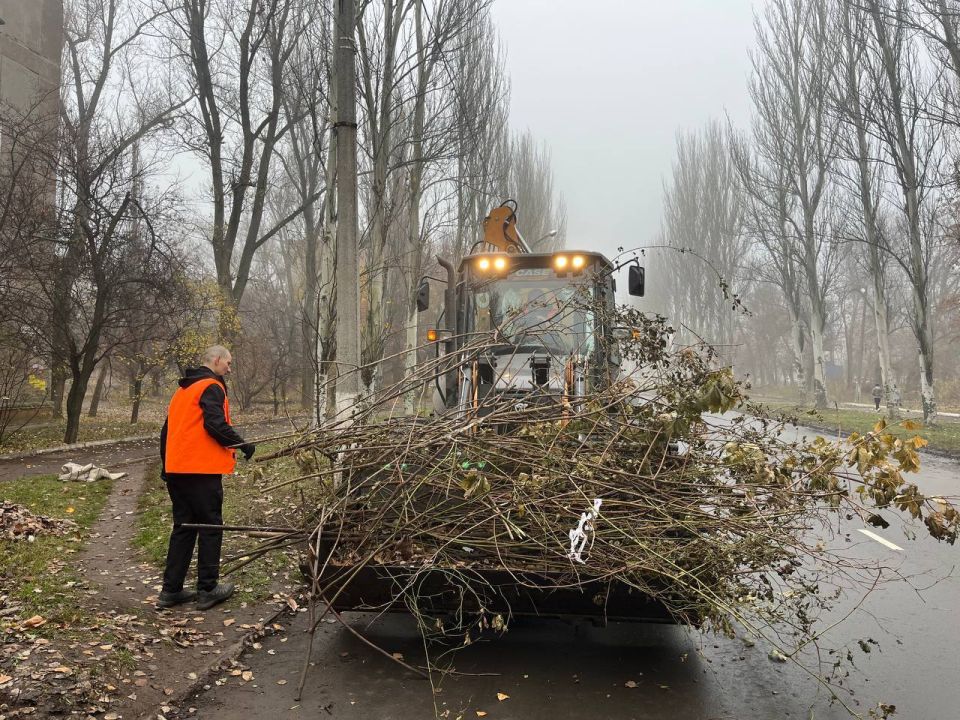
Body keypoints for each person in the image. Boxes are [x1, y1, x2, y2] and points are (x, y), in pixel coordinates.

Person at [156, 345, 255, 610]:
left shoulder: (182, 390)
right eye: (228, 363)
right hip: (200, 471)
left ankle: (171, 590)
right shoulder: (211, 386)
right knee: (211, 527)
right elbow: (215, 424)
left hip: (178, 471)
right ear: (217, 359)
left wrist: (167, 467)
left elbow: (166, 432)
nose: (229, 369)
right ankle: (208, 589)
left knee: (183, 528)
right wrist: (242, 444)